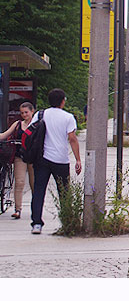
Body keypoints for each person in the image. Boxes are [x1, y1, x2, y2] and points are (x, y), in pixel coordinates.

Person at [30, 88, 82, 234]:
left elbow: (31, 132)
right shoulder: (68, 117)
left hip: (42, 159)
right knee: (64, 192)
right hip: (61, 159)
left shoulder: (40, 114)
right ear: (63, 101)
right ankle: (67, 220)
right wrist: (78, 159)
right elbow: (72, 138)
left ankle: (37, 223)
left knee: (39, 190)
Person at [0, 101, 36, 219]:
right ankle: (18, 209)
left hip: (34, 157)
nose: (24, 115)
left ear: (32, 111)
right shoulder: (17, 124)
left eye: (26, 112)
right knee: (19, 182)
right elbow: (5, 135)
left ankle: (36, 208)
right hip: (19, 155)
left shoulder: (37, 124)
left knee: (34, 184)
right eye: (22, 113)